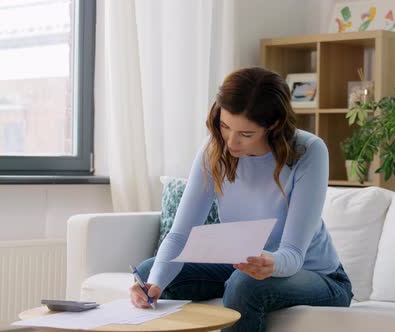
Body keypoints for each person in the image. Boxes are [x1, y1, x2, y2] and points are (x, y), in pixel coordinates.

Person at [130, 67, 353, 331]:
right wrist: (153, 284)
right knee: (150, 271)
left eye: (246, 134)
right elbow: (180, 236)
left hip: (316, 275)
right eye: (225, 127)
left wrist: (271, 264)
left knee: (244, 284)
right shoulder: (214, 149)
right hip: (243, 266)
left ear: (273, 126)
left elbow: (292, 255)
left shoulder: (308, 151)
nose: (231, 143)